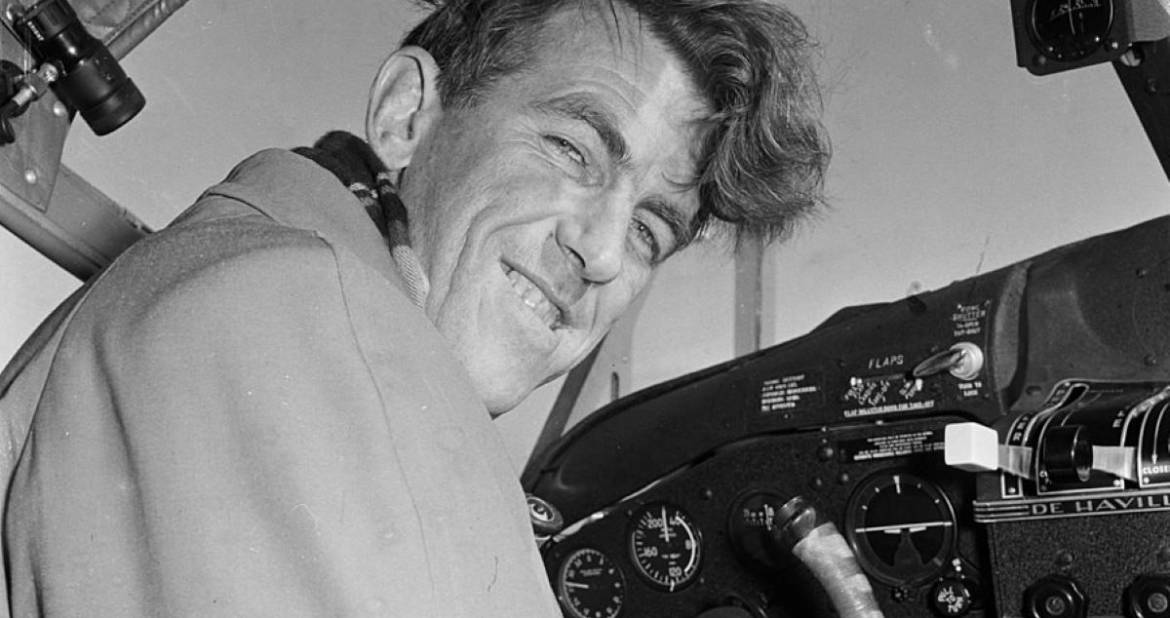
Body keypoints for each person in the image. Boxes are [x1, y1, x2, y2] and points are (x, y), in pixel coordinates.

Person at [0, 0, 829, 615]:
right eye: (572, 150)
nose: (604, 253)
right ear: (407, 116)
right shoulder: (292, 316)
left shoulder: (273, 290)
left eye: (649, 230)